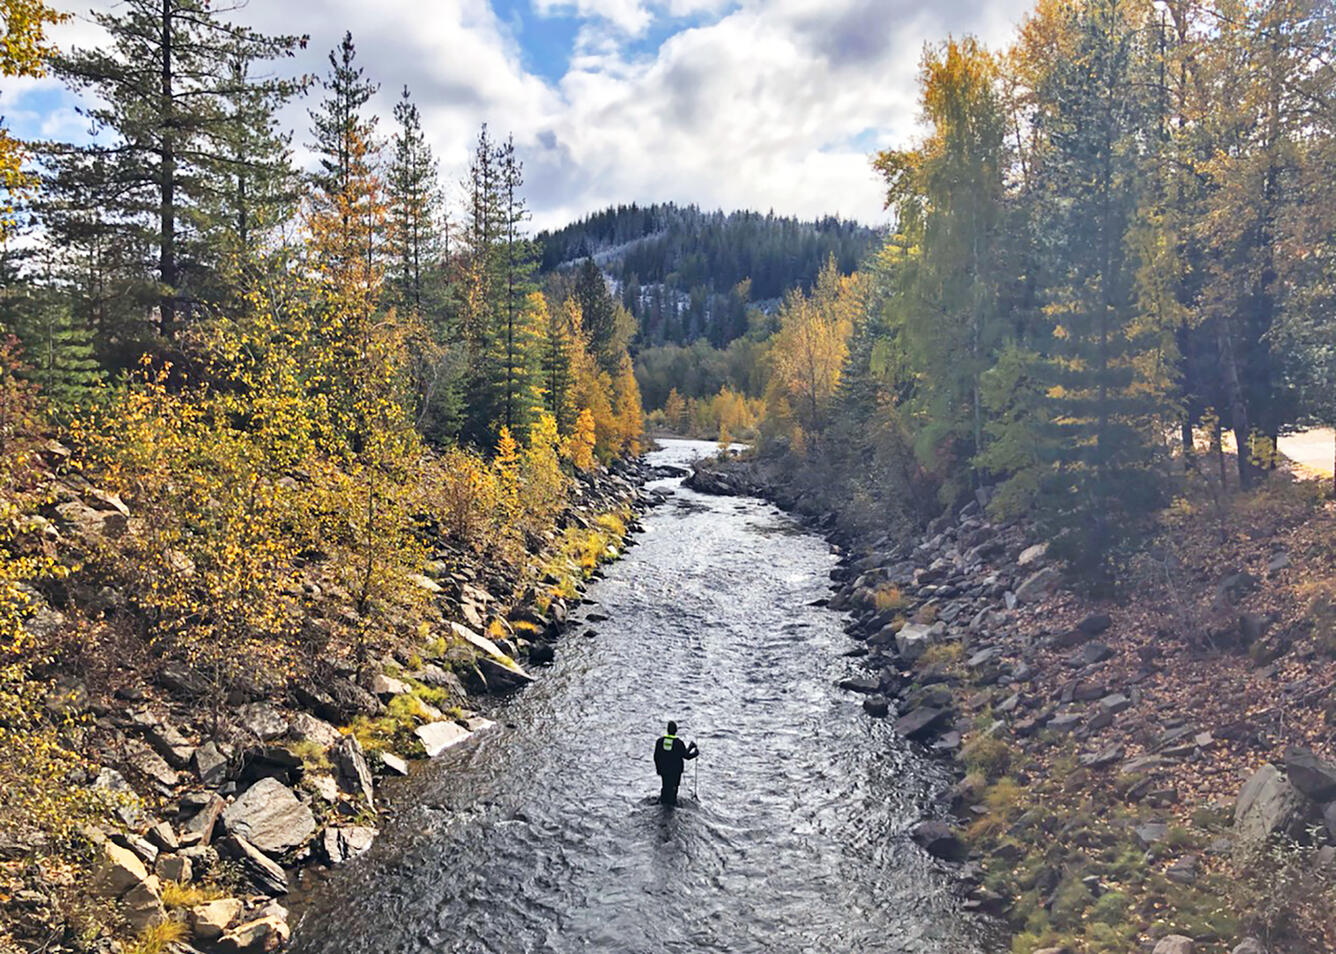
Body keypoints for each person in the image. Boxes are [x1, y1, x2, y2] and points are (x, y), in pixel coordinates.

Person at [653, 720, 698, 805]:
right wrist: (695, 753)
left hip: (664, 771)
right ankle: (671, 806)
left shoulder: (660, 741)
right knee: (673, 789)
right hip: (675, 772)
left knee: (665, 787)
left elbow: (656, 756)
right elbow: (686, 756)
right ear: (676, 730)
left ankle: (663, 803)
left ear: (667, 730)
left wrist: (658, 769)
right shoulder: (678, 743)